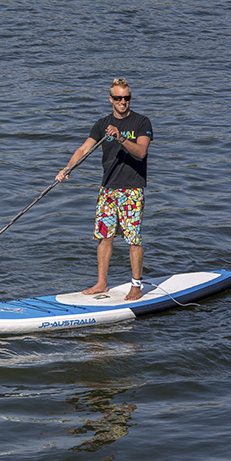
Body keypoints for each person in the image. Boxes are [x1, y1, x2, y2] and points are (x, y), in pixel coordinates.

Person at [56, 78, 153, 301]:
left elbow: (141, 152)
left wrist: (120, 138)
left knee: (133, 238)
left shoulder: (141, 122)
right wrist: (68, 168)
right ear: (111, 99)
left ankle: (136, 285)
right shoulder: (102, 124)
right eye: (118, 98)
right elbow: (84, 148)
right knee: (104, 237)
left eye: (127, 98)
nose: (123, 102)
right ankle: (101, 282)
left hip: (132, 190)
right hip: (108, 190)